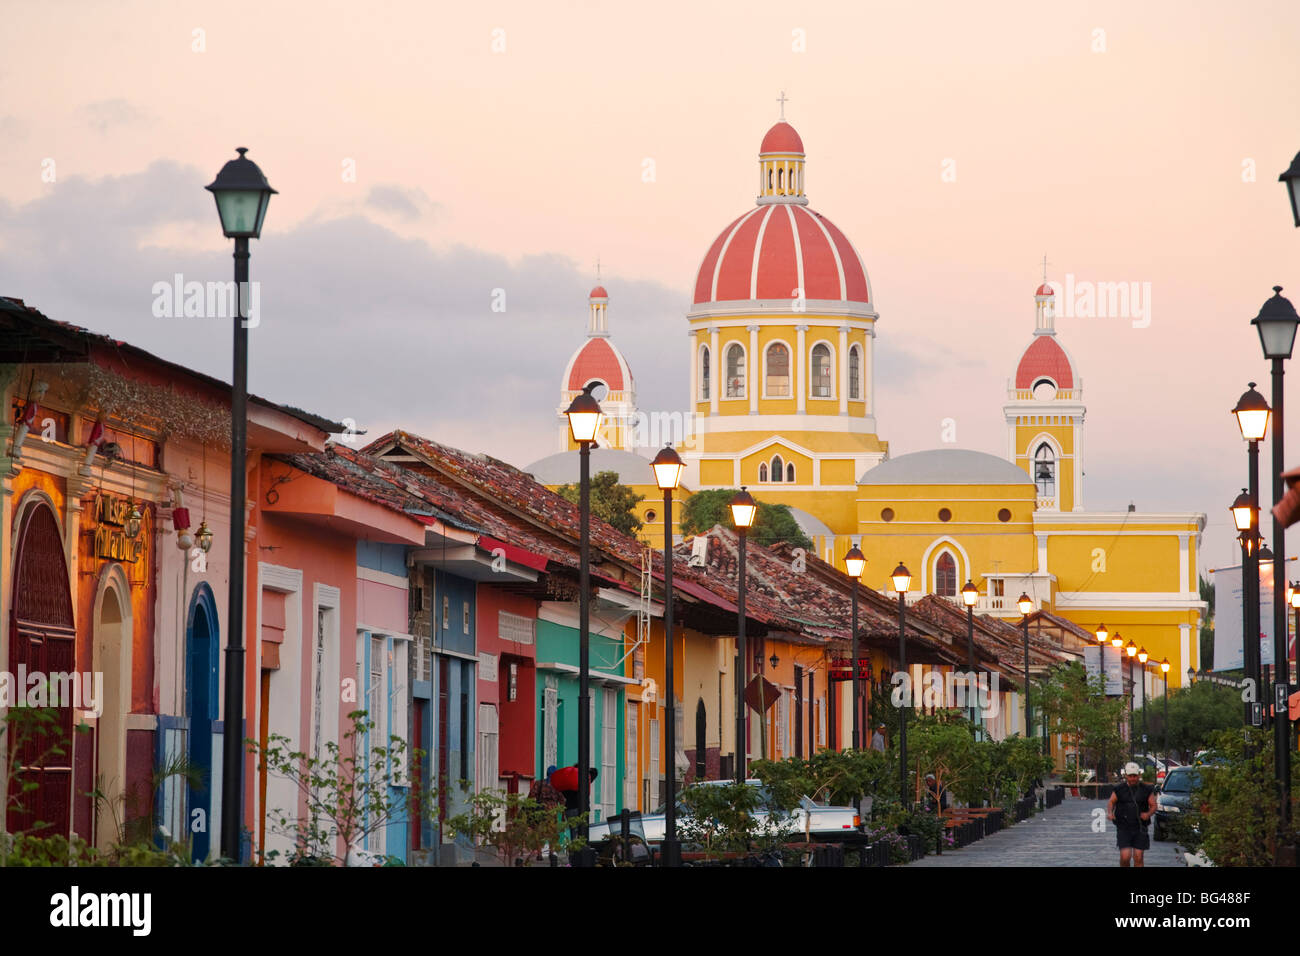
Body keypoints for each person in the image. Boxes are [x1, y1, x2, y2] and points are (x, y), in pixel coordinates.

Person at [1107, 762, 1156, 867]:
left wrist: (1148, 814)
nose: (1133, 778)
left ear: (1139, 775)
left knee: (1138, 857)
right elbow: (1111, 802)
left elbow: (1153, 806)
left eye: (1135, 776)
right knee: (1125, 857)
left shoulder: (1146, 789)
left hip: (1140, 827)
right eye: (1130, 776)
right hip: (1124, 827)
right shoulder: (1119, 789)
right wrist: (1110, 813)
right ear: (1126, 776)